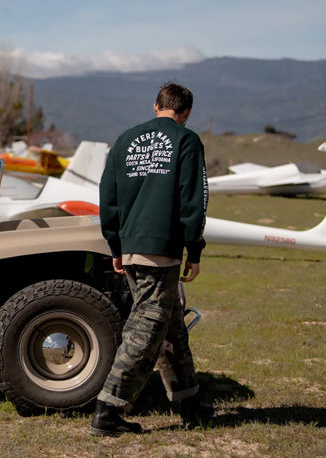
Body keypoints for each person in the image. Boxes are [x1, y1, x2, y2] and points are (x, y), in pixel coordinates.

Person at [90, 82, 213, 437]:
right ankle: (108, 410)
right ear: (186, 114)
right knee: (147, 326)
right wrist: (195, 248)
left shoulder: (125, 140)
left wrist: (115, 246)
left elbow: (107, 198)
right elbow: (194, 201)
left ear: (155, 105)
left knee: (170, 323)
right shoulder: (186, 141)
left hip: (130, 246)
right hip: (162, 249)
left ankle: (189, 403)